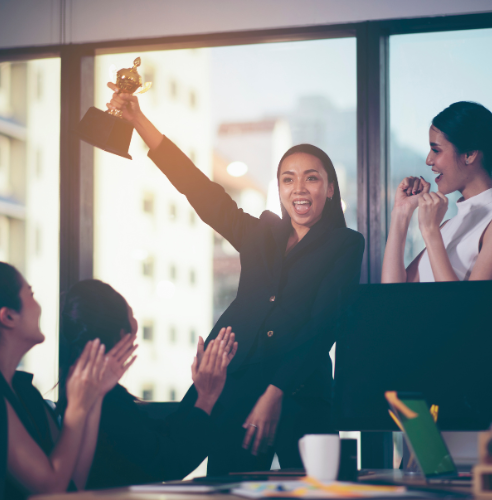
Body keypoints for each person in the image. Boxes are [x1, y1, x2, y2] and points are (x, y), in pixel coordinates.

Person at [106, 83, 365, 475]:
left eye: (312, 178)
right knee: (227, 488)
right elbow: (201, 191)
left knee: (322, 489)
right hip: (234, 383)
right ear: (278, 189)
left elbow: (324, 325)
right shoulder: (260, 233)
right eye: (288, 179)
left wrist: (275, 393)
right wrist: (140, 122)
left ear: (330, 189)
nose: (299, 188)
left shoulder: (346, 245)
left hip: (301, 392)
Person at [58, 279, 237, 489]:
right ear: (123, 333)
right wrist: (206, 398)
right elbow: (168, 463)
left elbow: (163, 437)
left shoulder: (94, 393)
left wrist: (203, 392)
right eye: (131, 314)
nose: (136, 322)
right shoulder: (106, 402)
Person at [0, 263, 135, 499]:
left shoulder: (27, 394)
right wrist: (76, 408)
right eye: (31, 295)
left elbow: (73, 485)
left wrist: (95, 396)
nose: (39, 307)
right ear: (9, 316)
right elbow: (49, 491)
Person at [382, 101, 492, 283]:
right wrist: (402, 212)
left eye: (436, 150)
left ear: (469, 154)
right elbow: (393, 292)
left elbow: (469, 309)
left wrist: (430, 232)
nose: (428, 160)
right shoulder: (448, 225)